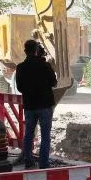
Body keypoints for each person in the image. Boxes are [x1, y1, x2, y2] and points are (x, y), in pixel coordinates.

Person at [15, 39, 57, 169]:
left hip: (29, 106)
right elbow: (54, 83)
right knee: (45, 135)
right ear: (37, 51)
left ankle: (28, 160)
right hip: (45, 106)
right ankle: (44, 163)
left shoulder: (20, 67)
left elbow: (20, 87)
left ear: (25, 51)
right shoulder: (45, 66)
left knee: (29, 134)